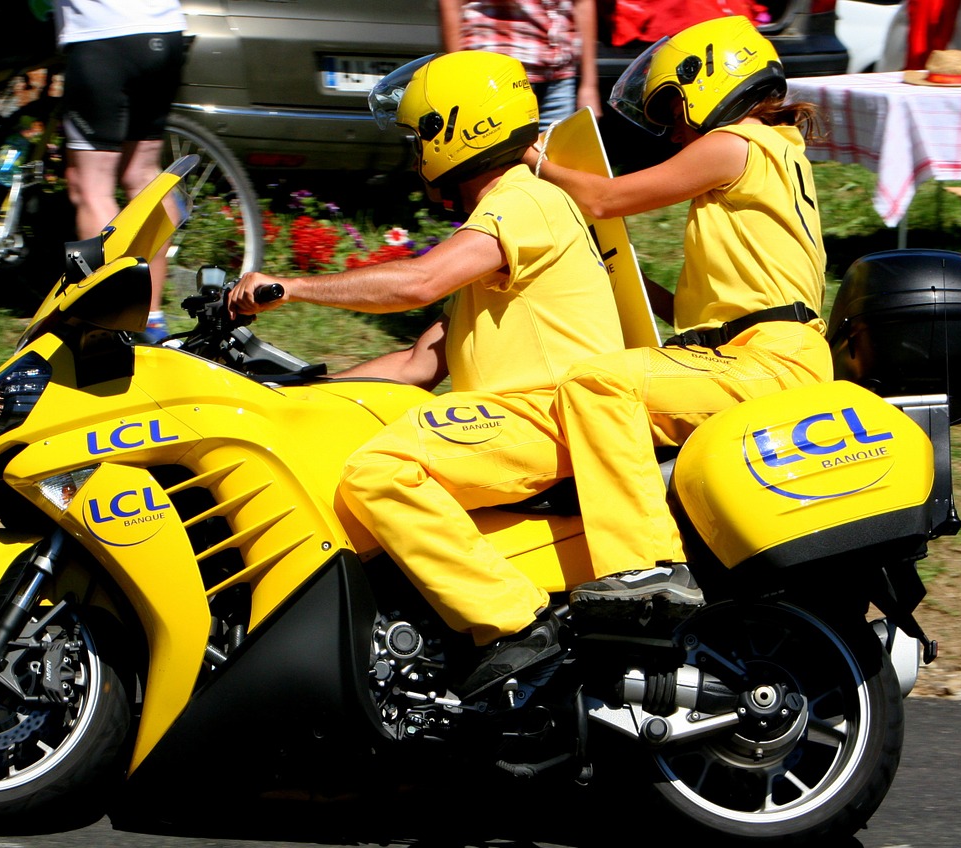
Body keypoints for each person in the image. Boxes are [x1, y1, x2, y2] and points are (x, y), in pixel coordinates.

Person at [228, 51, 625, 699]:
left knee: (380, 470)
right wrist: (293, 398)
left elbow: (418, 281)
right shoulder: (498, 236)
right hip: (528, 422)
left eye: (419, 140)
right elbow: (418, 364)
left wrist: (291, 287)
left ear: (459, 133)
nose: (415, 158)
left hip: (554, 418)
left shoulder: (525, 202)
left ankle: (517, 625)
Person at [523, 15, 832, 617]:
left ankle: (646, 567)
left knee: (597, 385)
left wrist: (529, 157)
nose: (669, 132)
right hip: (756, 351)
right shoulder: (775, 149)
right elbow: (725, 298)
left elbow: (603, 198)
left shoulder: (733, 143)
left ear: (711, 81)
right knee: (603, 377)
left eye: (671, 110)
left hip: (768, 361)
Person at [53, 0, 187, 343]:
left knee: (91, 188)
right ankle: (152, 318)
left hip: (102, 36)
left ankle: (107, 323)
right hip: (165, 32)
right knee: (143, 177)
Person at [438, 0, 600, 130]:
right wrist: (458, 71)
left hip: (558, 78)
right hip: (496, 77)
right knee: (500, 166)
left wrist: (589, 85)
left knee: (554, 164)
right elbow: (451, 4)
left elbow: (582, 4)